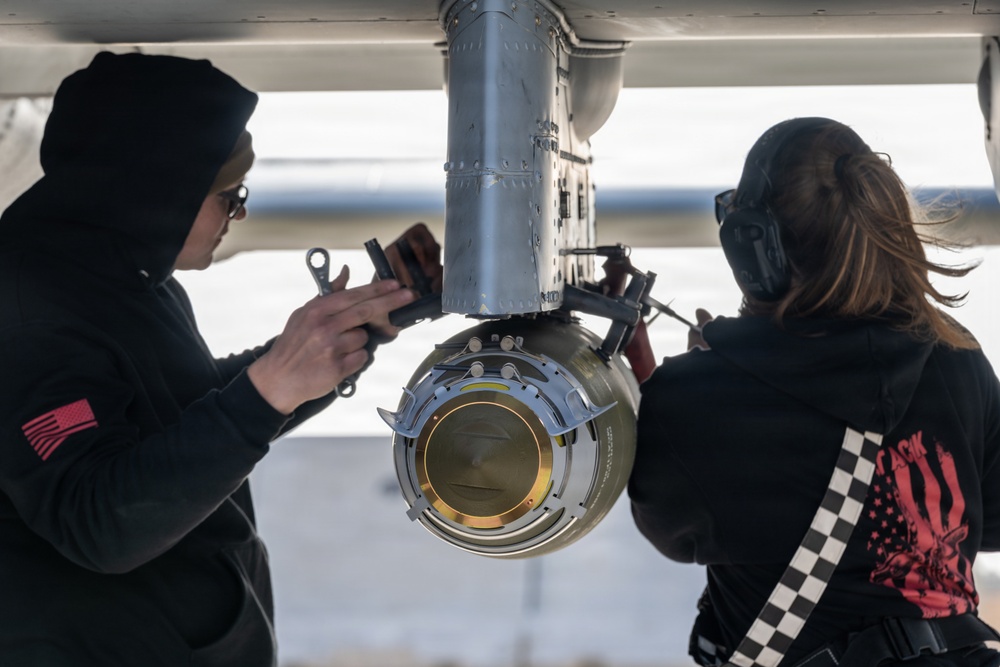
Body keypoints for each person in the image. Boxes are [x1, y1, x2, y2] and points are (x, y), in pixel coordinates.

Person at [0, 51, 439, 666]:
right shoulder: (29, 312)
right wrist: (269, 388)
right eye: (229, 195)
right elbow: (95, 521)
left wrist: (350, 334)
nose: (240, 213)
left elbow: (188, 415)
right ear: (160, 189)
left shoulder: (121, 275)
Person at [626, 117, 1000, 666]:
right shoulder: (955, 353)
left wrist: (687, 382)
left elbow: (670, 528)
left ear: (751, 246)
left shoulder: (698, 397)